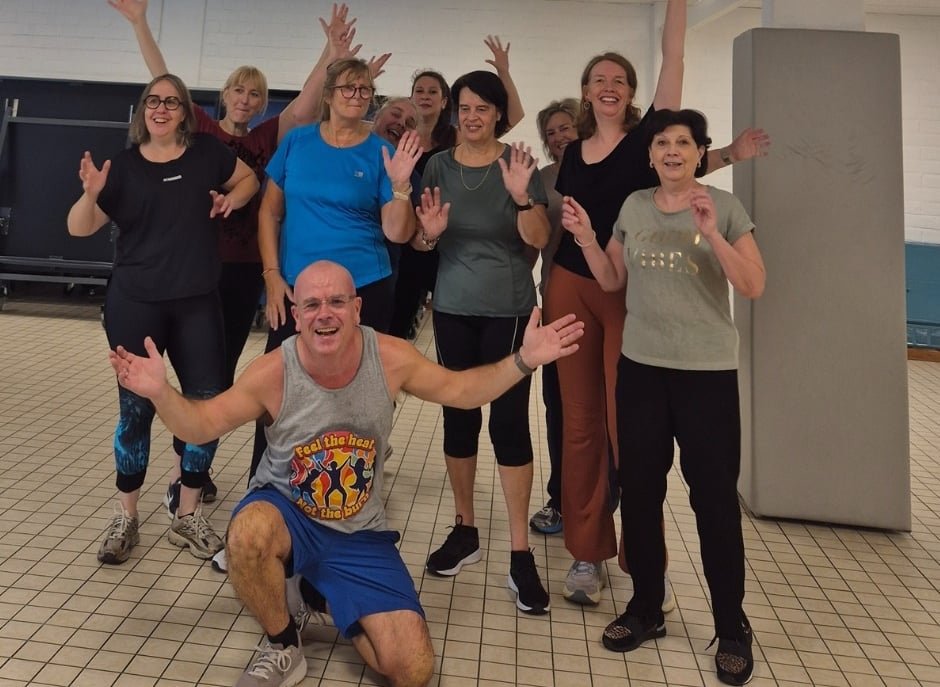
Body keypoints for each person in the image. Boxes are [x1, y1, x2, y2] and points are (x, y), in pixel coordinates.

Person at [107, 260, 585, 687]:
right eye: (311, 303)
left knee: (411, 669)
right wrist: (160, 393)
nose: (325, 313)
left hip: (359, 531)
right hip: (286, 514)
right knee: (246, 535)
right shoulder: (273, 371)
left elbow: (461, 390)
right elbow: (202, 423)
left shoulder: (391, 358)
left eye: (337, 301)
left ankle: (317, 589)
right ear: (295, 315)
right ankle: (283, 644)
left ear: (357, 309)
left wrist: (525, 360)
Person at [545, 0, 770, 608]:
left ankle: (648, 565)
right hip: (571, 281)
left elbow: (675, 53)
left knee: (630, 431)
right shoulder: (571, 152)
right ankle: (587, 554)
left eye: (619, 79)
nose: (609, 86)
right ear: (585, 94)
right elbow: (563, 231)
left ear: (633, 92)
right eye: (599, 80)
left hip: (625, 288)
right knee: (580, 423)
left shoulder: (651, 137)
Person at [110, 0, 365, 512]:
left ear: (262, 102)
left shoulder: (272, 137)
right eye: (239, 90)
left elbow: (303, 105)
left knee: (216, 375)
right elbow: (164, 79)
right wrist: (140, 22)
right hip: (193, 266)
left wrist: (331, 52)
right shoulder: (201, 131)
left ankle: (192, 467)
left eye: (256, 93)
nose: (247, 99)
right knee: (180, 374)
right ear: (224, 95)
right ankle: (182, 463)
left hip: (246, 267)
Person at [561, 108, 766, 686]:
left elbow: (753, 285)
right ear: (650, 156)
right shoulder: (634, 207)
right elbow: (610, 282)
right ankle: (647, 606)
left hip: (706, 375)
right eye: (662, 144)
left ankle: (731, 625)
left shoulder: (724, 207)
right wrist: (584, 240)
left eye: (683, 142)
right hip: (642, 371)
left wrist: (714, 234)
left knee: (714, 501)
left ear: (701, 152)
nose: (672, 151)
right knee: (643, 493)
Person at [67, 74, 259, 564]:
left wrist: (231, 198)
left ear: (185, 113)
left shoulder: (207, 156)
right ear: (142, 110)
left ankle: (188, 514)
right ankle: (126, 516)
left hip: (196, 301)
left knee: (205, 407)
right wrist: (91, 194)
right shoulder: (123, 169)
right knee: (135, 411)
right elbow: (79, 227)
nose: (161, 108)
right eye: (153, 100)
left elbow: (248, 179)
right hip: (136, 303)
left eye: (171, 102)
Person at [413, 70, 552, 614]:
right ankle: (465, 527)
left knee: (510, 423)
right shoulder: (437, 165)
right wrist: (429, 233)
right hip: (452, 308)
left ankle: (520, 554)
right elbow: (423, 242)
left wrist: (521, 199)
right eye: (462, 108)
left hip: (511, 311)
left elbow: (539, 238)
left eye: (481, 108)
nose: (470, 117)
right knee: (459, 418)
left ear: (498, 113)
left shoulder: (518, 165)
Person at [251, 57, 421, 479]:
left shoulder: (383, 152)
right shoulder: (297, 142)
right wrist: (272, 277)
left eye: (364, 90)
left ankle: (347, 492)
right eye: (348, 87)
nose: (356, 96)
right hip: (296, 292)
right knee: (278, 387)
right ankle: (266, 487)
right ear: (329, 95)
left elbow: (397, 233)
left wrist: (401, 186)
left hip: (363, 290)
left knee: (355, 394)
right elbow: (269, 212)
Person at [389, 37, 525, 340]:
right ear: (411, 97)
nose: (425, 96)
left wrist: (504, 72)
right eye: (419, 91)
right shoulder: (401, 137)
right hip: (408, 239)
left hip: (446, 242)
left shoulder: (457, 136)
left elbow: (512, 117)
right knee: (397, 321)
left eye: (433, 91)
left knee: (452, 324)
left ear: (444, 100)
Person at [527, 97, 579, 537]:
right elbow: (532, 240)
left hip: (607, 302)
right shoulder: (544, 180)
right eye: (551, 133)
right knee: (558, 406)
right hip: (557, 301)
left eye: (565, 128)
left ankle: (603, 499)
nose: (559, 137)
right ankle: (560, 498)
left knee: (599, 408)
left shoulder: (613, 169)